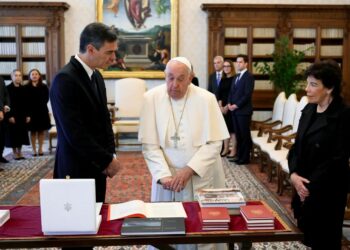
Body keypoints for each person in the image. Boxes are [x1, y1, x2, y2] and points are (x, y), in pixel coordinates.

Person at [139, 56, 229, 202]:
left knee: (201, 220)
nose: (174, 85)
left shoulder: (207, 99)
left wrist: (189, 170)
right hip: (167, 176)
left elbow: (214, 143)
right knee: (168, 220)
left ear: (190, 78)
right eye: (170, 78)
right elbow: (150, 145)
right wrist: (163, 176)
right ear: (165, 76)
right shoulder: (151, 98)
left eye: (181, 79)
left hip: (199, 174)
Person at [50, 22, 120, 203]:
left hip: (98, 166)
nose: (114, 58)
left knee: (97, 218)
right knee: (77, 228)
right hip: (75, 168)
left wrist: (111, 155)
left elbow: (105, 120)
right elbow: (75, 133)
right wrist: (106, 161)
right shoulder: (65, 79)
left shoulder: (96, 75)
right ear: (90, 49)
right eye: (109, 52)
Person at [288, 60, 350, 249]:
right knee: (307, 238)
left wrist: (307, 186)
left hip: (327, 192)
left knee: (325, 242)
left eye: (313, 84)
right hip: (303, 187)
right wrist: (294, 176)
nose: (307, 89)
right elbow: (296, 147)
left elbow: (337, 159)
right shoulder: (308, 109)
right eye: (307, 83)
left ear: (329, 88)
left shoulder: (343, 116)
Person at [227, 54, 254, 165]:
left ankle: (245, 158)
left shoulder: (249, 76)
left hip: (243, 112)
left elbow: (247, 94)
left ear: (246, 63)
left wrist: (236, 105)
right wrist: (229, 103)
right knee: (238, 136)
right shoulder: (236, 77)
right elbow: (231, 92)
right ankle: (239, 156)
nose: (238, 64)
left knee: (244, 135)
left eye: (240, 62)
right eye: (237, 62)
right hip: (234, 111)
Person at [5, 69, 30, 160]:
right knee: (13, 134)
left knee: (22, 133)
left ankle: (20, 151)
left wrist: (28, 115)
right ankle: (14, 152)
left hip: (22, 115)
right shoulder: (7, 89)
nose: (18, 77)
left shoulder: (24, 89)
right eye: (16, 75)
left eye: (19, 75)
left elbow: (27, 103)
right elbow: (6, 104)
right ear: (12, 77)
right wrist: (9, 116)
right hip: (12, 115)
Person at [26, 69, 51, 157]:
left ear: (39, 76)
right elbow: (25, 101)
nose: (34, 75)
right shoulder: (26, 87)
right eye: (32, 74)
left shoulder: (44, 86)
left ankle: (40, 148)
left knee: (41, 131)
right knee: (32, 131)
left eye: (36, 74)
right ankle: (33, 149)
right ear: (30, 76)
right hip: (31, 112)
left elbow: (46, 98)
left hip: (42, 111)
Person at [216, 59, 237, 159]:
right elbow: (219, 94)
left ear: (231, 67)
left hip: (231, 107)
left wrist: (226, 107)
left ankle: (233, 150)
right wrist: (220, 107)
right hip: (222, 108)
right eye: (224, 66)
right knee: (225, 130)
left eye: (228, 66)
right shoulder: (222, 79)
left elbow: (233, 94)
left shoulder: (235, 79)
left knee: (232, 130)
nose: (226, 68)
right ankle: (225, 149)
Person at [0, 76, 10, 163]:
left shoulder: (1, 78)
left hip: (3, 111)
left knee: (2, 136)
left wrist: (7, 105)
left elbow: (5, 93)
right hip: (0, 111)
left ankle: (0, 155)